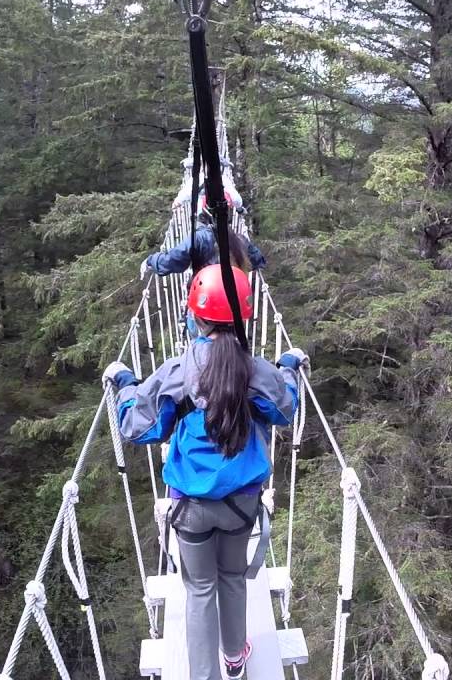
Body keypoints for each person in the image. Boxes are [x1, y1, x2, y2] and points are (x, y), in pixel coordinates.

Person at [104, 265, 309, 680]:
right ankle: (235, 657)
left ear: (193, 317)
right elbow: (286, 407)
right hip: (241, 504)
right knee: (233, 577)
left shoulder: (178, 372)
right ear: (244, 317)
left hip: (191, 507)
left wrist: (126, 384)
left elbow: (139, 427)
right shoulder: (256, 370)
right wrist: (288, 365)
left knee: (199, 589)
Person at [148, 190, 265, 278]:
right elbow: (258, 260)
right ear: (228, 213)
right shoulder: (240, 239)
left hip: (205, 301)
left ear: (204, 212)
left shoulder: (200, 238)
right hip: (234, 303)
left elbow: (170, 261)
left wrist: (151, 261)